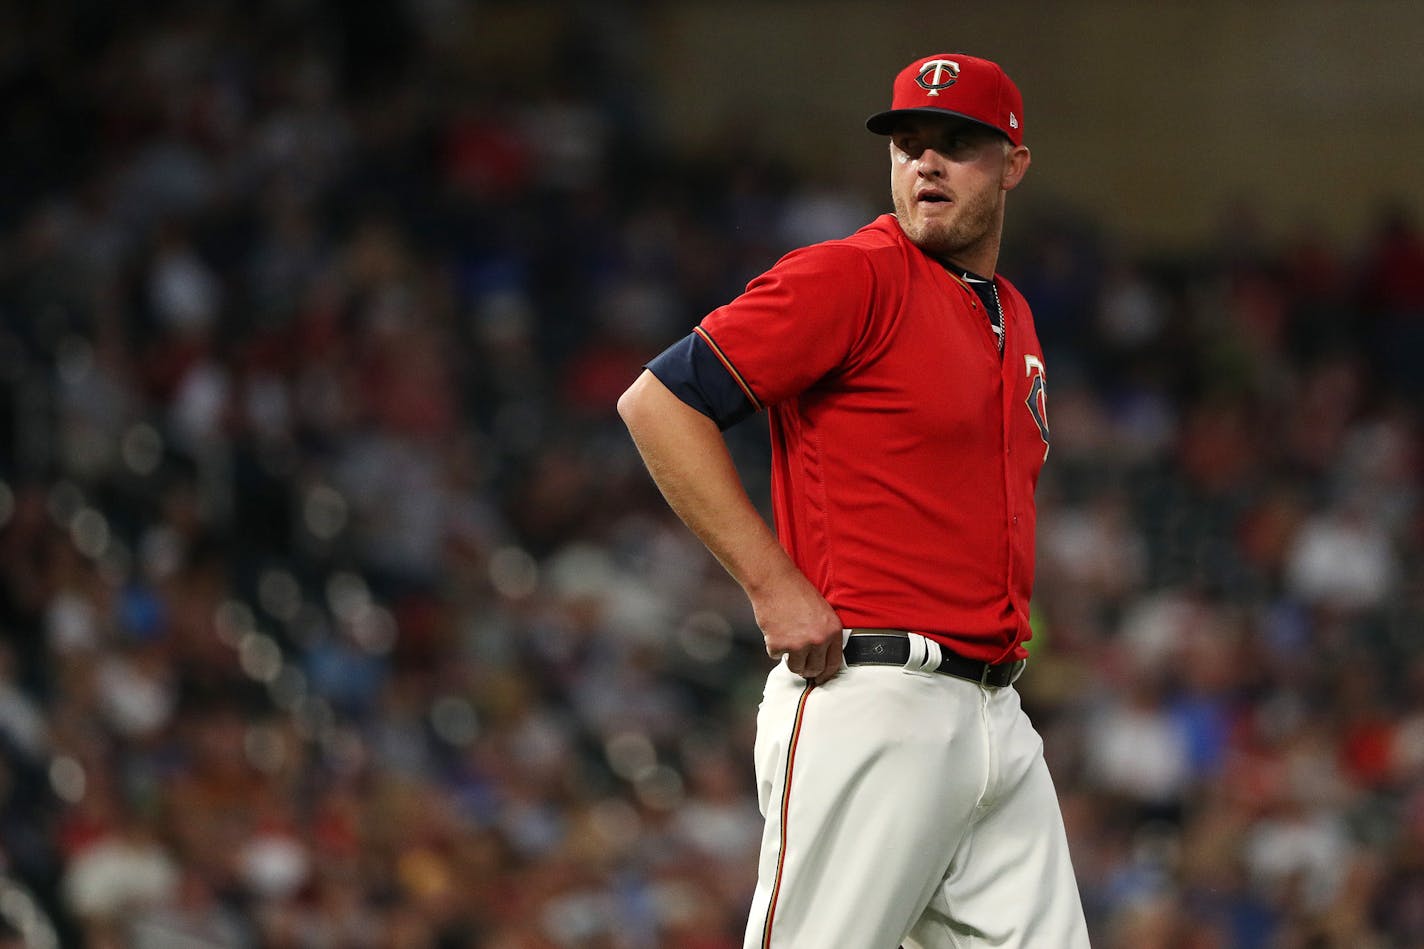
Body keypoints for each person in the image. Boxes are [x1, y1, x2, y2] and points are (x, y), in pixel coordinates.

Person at [617, 52, 1089, 948]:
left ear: (1015, 163)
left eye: (959, 144)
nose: (927, 163)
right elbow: (658, 401)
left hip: (994, 711)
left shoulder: (1014, 315)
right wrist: (771, 583)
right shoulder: (851, 275)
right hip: (873, 693)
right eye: (910, 144)